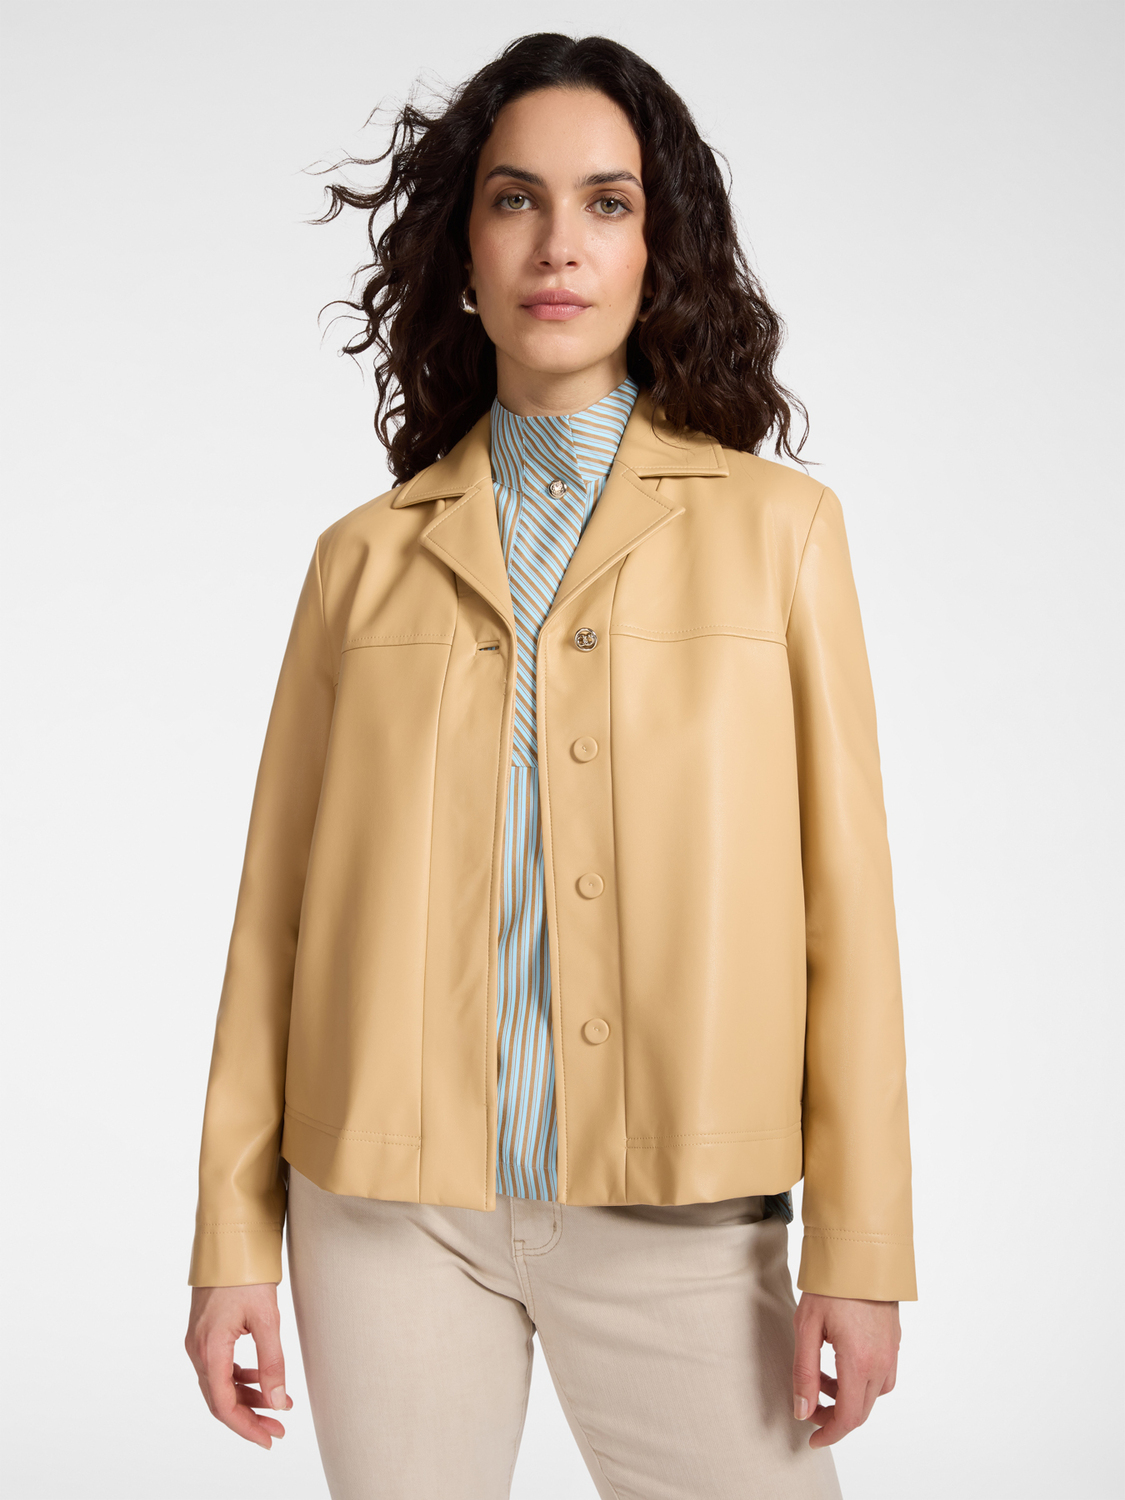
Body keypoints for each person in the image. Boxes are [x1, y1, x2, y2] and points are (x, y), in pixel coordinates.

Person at [184, 32, 916, 1500]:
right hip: (384, 1215)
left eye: (607, 203)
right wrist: (229, 1243)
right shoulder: (361, 563)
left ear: (660, 249)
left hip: (682, 1211)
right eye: (515, 199)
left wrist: (862, 1246)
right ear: (464, 248)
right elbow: (274, 921)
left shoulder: (779, 535)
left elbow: (847, 911)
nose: (558, 245)